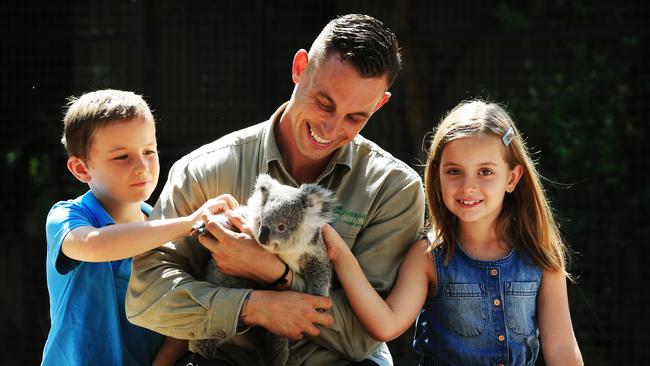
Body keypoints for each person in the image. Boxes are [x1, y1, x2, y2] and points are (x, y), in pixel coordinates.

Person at [125, 14, 425, 366]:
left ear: (379, 105)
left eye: (355, 117)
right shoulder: (206, 169)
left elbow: (363, 336)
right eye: (324, 103)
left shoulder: (394, 188)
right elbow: (148, 297)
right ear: (300, 68)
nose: (330, 127)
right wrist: (253, 307)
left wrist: (273, 273)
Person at [324, 99, 584, 365]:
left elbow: (562, 345)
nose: (467, 186)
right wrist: (342, 257)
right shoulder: (427, 256)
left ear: (512, 178)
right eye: (454, 171)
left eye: (485, 172)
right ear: (437, 177)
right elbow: (387, 324)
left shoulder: (540, 254)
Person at [43, 89, 236, 366]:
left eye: (149, 151)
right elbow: (94, 244)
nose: (142, 166)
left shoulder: (164, 225)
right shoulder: (69, 216)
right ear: (81, 169)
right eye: (122, 157)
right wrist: (187, 223)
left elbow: (179, 327)